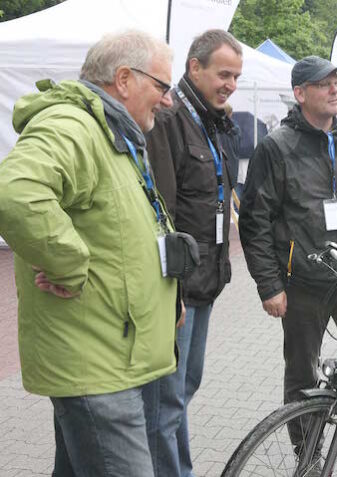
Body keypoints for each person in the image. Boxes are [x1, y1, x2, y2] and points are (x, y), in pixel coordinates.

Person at [0, 31, 178, 476]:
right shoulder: (73, 126)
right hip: (97, 361)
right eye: (162, 86)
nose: (169, 101)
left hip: (111, 352)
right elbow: (16, 193)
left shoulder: (107, 128)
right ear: (124, 79)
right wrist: (70, 265)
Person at [239, 56, 337, 472]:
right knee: (301, 375)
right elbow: (255, 221)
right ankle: (309, 457)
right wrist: (269, 285)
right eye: (323, 83)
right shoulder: (277, 147)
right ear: (300, 93)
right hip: (304, 282)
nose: (334, 89)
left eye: (336, 82)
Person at [143, 29, 242, 477]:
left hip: (206, 281)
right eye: (224, 74)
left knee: (184, 389)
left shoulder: (219, 120)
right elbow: (162, 210)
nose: (231, 84)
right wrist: (174, 291)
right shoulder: (168, 119)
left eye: (237, 77)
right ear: (194, 68)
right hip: (178, 287)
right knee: (166, 399)